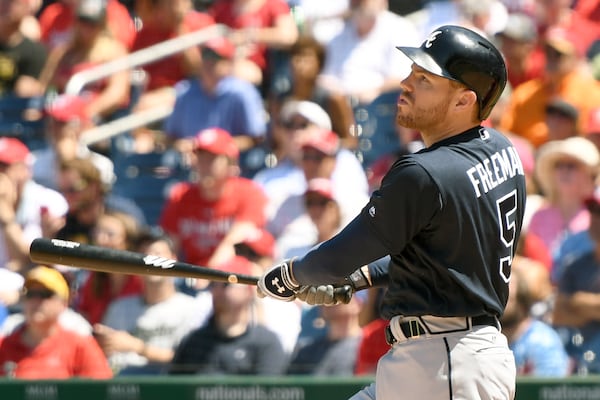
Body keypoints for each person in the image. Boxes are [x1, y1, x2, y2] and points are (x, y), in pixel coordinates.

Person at [257, 25, 526, 399]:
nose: (405, 83)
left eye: (424, 79)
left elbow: (338, 257)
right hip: (440, 357)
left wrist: (290, 276)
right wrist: (359, 278)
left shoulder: (424, 172)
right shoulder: (499, 148)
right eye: (411, 73)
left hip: (448, 364)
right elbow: (445, 257)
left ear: (464, 101)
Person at [93, 229, 201, 375]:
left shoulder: (191, 308)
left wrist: (139, 348)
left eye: (158, 255)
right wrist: (103, 342)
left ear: (174, 260)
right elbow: (105, 360)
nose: (151, 261)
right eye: (145, 255)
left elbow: (191, 360)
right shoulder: (119, 308)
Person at [169, 255, 287, 375]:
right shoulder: (194, 341)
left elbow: (269, 391)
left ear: (248, 291)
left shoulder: (265, 342)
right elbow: (174, 389)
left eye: (226, 284)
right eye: (213, 283)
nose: (217, 289)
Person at [0, 265, 112, 378]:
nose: (35, 301)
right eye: (30, 294)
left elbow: (101, 389)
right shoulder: (3, 345)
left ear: (63, 303)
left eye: (45, 295)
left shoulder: (79, 345)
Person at [0, 137, 68, 273]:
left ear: (26, 169)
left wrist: (4, 210)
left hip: (36, 284)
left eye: (4, 166)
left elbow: (29, 258)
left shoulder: (49, 201)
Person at [552, 191, 600, 374]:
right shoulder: (575, 264)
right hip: (579, 354)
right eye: (593, 210)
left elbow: (567, 306)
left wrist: (576, 301)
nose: (596, 218)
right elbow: (558, 315)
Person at [500, 260, 571, 376]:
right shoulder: (487, 337)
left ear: (522, 303)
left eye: (507, 300)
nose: (499, 306)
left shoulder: (542, 341)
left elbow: (549, 390)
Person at [0, 0, 47, 97]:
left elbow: (25, 90)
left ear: (28, 10)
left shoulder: (34, 52)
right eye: (4, 2)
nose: (7, 7)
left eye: (15, 3)